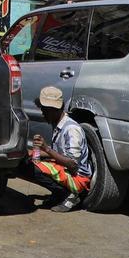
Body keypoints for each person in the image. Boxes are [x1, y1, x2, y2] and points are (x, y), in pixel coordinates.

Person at [26, 85, 93, 213]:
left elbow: (72, 164)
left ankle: (69, 196)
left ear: (54, 110)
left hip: (77, 178)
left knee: (35, 168)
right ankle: (58, 194)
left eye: (45, 110)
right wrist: (33, 152)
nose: (42, 113)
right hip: (66, 171)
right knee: (27, 161)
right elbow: (60, 153)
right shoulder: (58, 125)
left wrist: (46, 148)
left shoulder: (72, 130)